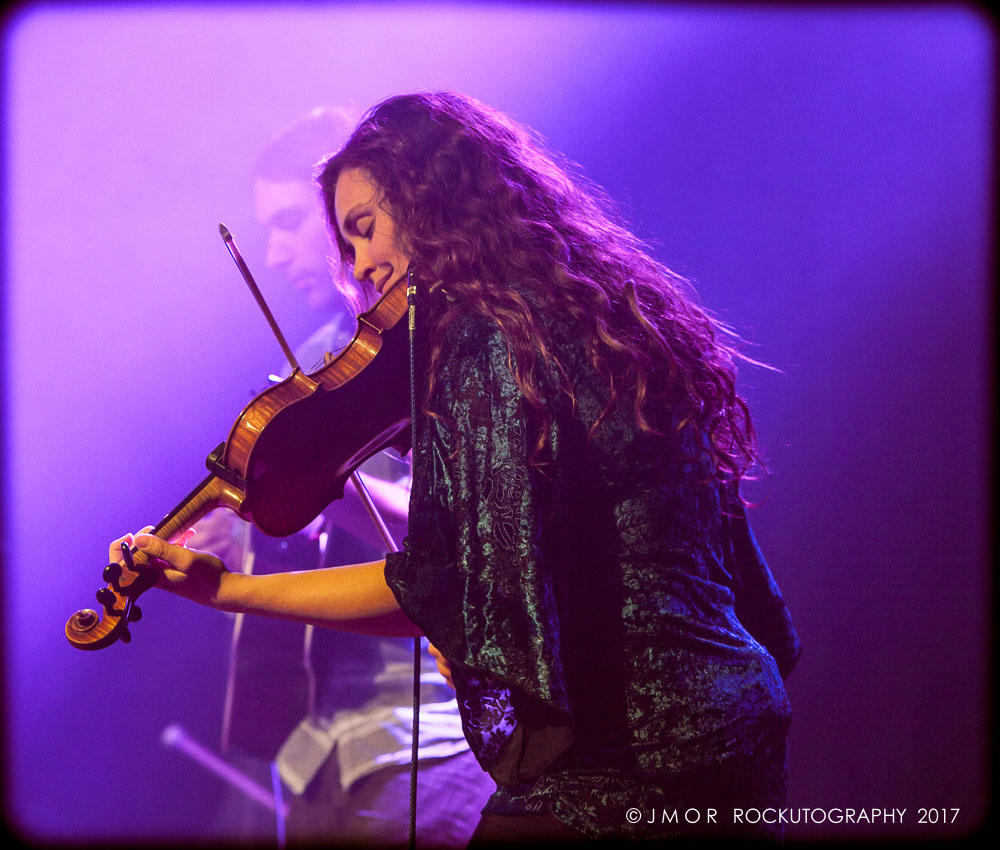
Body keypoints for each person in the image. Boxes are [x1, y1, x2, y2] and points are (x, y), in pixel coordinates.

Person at [120, 92, 801, 842]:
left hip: (627, 754)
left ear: (434, 200)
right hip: (735, 728)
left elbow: (439, 583)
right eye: (345, 249)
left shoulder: (484, 341)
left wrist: (229, 589)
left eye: (365, 230)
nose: (362, 268)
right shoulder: (621, 316)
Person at [192, 106, 493, 847]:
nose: (278, 248)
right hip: (319, 741)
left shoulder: (440, 350)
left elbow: (451, 531)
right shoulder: (325, 358)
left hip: (423, 728)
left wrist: (318, 488)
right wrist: (252, 534)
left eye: (297, 222)